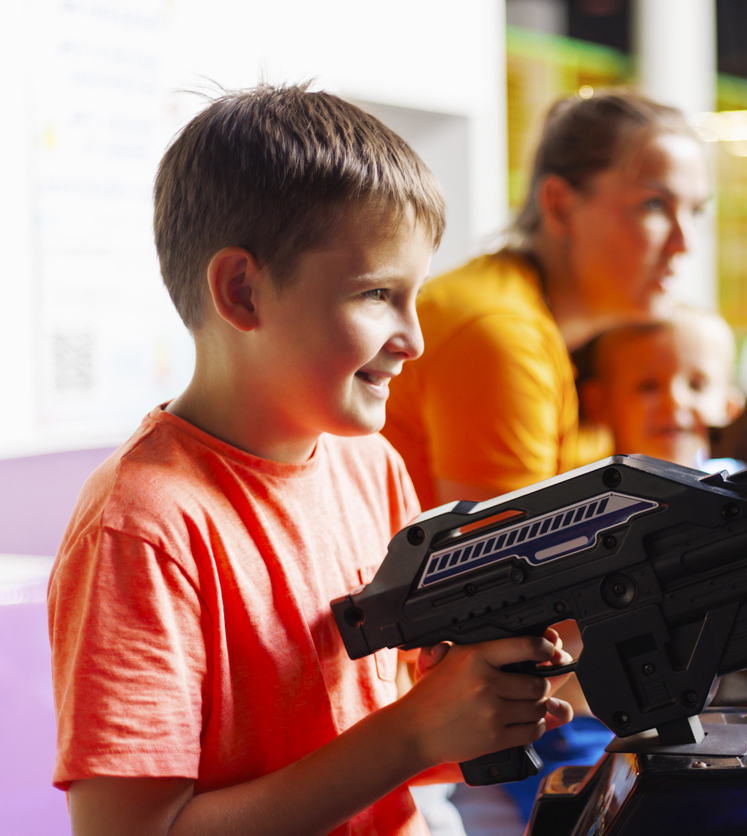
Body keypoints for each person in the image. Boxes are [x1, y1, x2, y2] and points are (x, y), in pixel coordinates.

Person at [47, 84, 573, 836]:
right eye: (376, 294)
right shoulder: (142, 526)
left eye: (414, 295)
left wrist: (480, 709)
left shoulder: (373, 465)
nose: (413, 339)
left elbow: (377, 744)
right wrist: (418, 730)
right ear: (243, 291)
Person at [381, 90, 711, 509]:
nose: (686, 244)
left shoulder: (584, 333)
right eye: (654, 205)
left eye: (695, 211)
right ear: (559, 206)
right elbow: (502, 565)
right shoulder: (500, 333)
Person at [576, 304, 743, 468]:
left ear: (729, 407)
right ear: (600, 404)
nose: (675, 400)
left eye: (696, 386)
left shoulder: (739, 485)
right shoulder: (580, 489)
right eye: (648, 386)